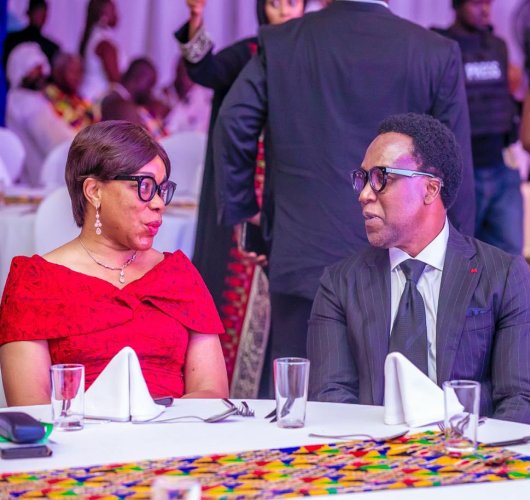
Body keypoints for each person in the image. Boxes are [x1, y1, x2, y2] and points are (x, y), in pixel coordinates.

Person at [214, 0, 474, 397]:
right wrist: (454, 256)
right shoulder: (433, 52)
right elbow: (454, 165)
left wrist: (245, 210)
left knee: (300, 403)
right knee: (400, 403)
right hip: (402, 260)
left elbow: (233, 122)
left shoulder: (283, 42)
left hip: (303, 252)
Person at [307, 113, 530, 424]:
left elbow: (523, 399)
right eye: (362, 178)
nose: (365, 194)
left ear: (430, 189)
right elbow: (331, 398)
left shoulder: (503, 277)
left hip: (470, 449)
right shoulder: (340, 285)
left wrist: (469, 450)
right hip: (374, 449)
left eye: (381, 178)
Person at [0, 121, 228, 406]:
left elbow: (212, 392)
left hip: (176, 430)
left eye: (161, 189)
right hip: (79, 434)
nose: (159, 203)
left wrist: (156, 422)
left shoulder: (177, 275)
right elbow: (31, 408)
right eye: (144, 186)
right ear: (94, 191)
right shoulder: (35, 282)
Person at [174, 0, 305, 392]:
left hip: (293, 198)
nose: (284, 10)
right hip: (247, 196)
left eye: (293, 2)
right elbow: (206, 69)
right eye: (275, 3)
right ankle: (226, 390)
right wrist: (196, 19)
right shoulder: (251, 52)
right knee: (234, 291)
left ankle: (279, 394)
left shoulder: (313, 58)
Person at [434, 0, 522, 255]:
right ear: (457, 5)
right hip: (461, 172)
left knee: (509, 258)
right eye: (476, 3)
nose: (485, 10)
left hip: (501, 167)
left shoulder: (498, 46)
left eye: (488, 3)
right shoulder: (440, 46)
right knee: (458, 255)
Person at [5, 42, 74, 186]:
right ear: (20, 70)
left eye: (42, 67)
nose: (42, 73)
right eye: (35, 69)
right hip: (45, 182)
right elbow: (55, 142)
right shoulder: (27, 102)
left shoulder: (18, 98)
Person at [101, 58, 167, 140]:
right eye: (150, 84)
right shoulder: (121, 105)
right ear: (139, 78)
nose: (150, 91)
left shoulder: (115, 96)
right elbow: (137, 142)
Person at [79, 0, 121, 101]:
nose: (118, 15)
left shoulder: (92, 36)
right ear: (103, 16)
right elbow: (115, 79)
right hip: (98, 99)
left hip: (87, 95)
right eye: (113, 11)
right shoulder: (104, 44)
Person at [2, 0, 60, 72]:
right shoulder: (11, 40)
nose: (40, 17)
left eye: (43, 14)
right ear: (28, 13)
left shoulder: (52, 48)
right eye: (37, 12)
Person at [44, 52, 97, 131]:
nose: (77, 76)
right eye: (73, 71)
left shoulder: (83, 102)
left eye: (80, 71)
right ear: (58, 71)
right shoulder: (47, 97)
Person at [161, 58, 212, 135]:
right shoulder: (162, 96)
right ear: (177, 71)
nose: (187, 77)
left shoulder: (204, 96)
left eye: (191, 73)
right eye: (183, 72)